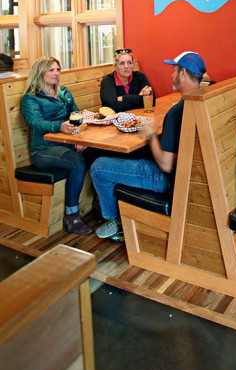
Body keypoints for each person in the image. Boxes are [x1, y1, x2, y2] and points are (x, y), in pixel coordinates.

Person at [91, 51, 207, 241]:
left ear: (183, 73)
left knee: (98, 167)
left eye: (174, 70)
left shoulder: (176, 112)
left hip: (167, 179)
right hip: (190, 173)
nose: (171, 74)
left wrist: (150, 134)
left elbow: (166, 164)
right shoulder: (202, 100)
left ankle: (116, 222)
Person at [20, 56, 92, 235]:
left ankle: (97, 204)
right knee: (78, 162)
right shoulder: (31, 99)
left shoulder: (64, 92)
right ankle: (71, 216)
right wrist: (59, 126)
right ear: (40, 72)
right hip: (43, 149)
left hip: (67, 142)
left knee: (97, 152)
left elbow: (75, 113)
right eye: (51, 70)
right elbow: (36, 123)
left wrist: (79, 138)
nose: (56, 73)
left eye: (58, 70)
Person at [100, 48, 154, 112]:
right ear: (115, 66)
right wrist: (139, 98)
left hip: (138, 117)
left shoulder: (140, 77)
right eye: (122, 63)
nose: (126, 66)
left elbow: (152, 100)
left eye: (129, 63)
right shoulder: (107, 81)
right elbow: (113, 107)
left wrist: (123, 98)